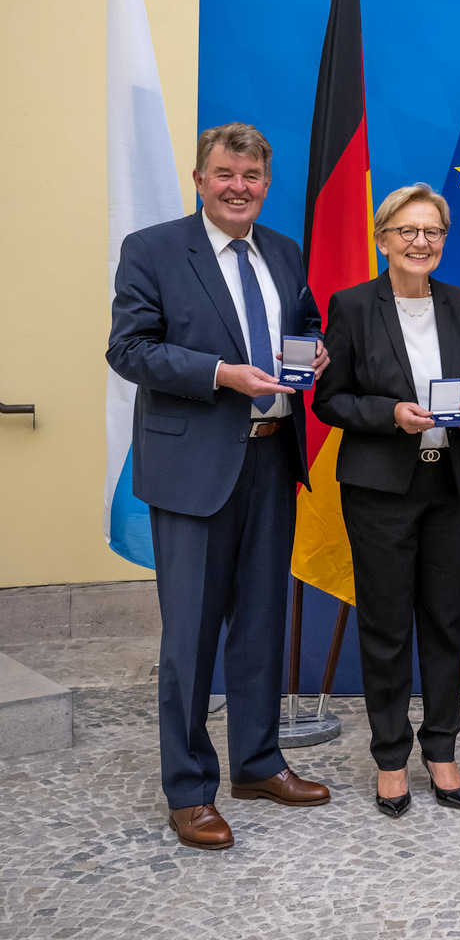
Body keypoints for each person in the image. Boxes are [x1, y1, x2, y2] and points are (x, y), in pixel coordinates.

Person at [106, 122, 333, 850]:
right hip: (194, 468)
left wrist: (315, 350)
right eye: (226, 174)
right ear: (201, 179)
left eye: (253, 176)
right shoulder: (154, 249)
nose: (240, 187)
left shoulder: (284, 251)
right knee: (191, 637)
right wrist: (219, 375)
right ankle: (189, 788)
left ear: (268, 184)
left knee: (262, 623)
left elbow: (302, 322)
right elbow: (129, 348)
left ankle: (258, 761)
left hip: (271, 459)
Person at [313, 183, 460, 818]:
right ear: (382, 238)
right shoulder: (354, 306)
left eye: (433, 232)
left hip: (450, 484)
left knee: (445, 622)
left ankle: (441, 749)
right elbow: (327, 399)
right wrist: (393, 415)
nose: (421, 243)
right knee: (386, 627)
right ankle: (391, 757)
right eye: (408, 231)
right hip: (380, 490)